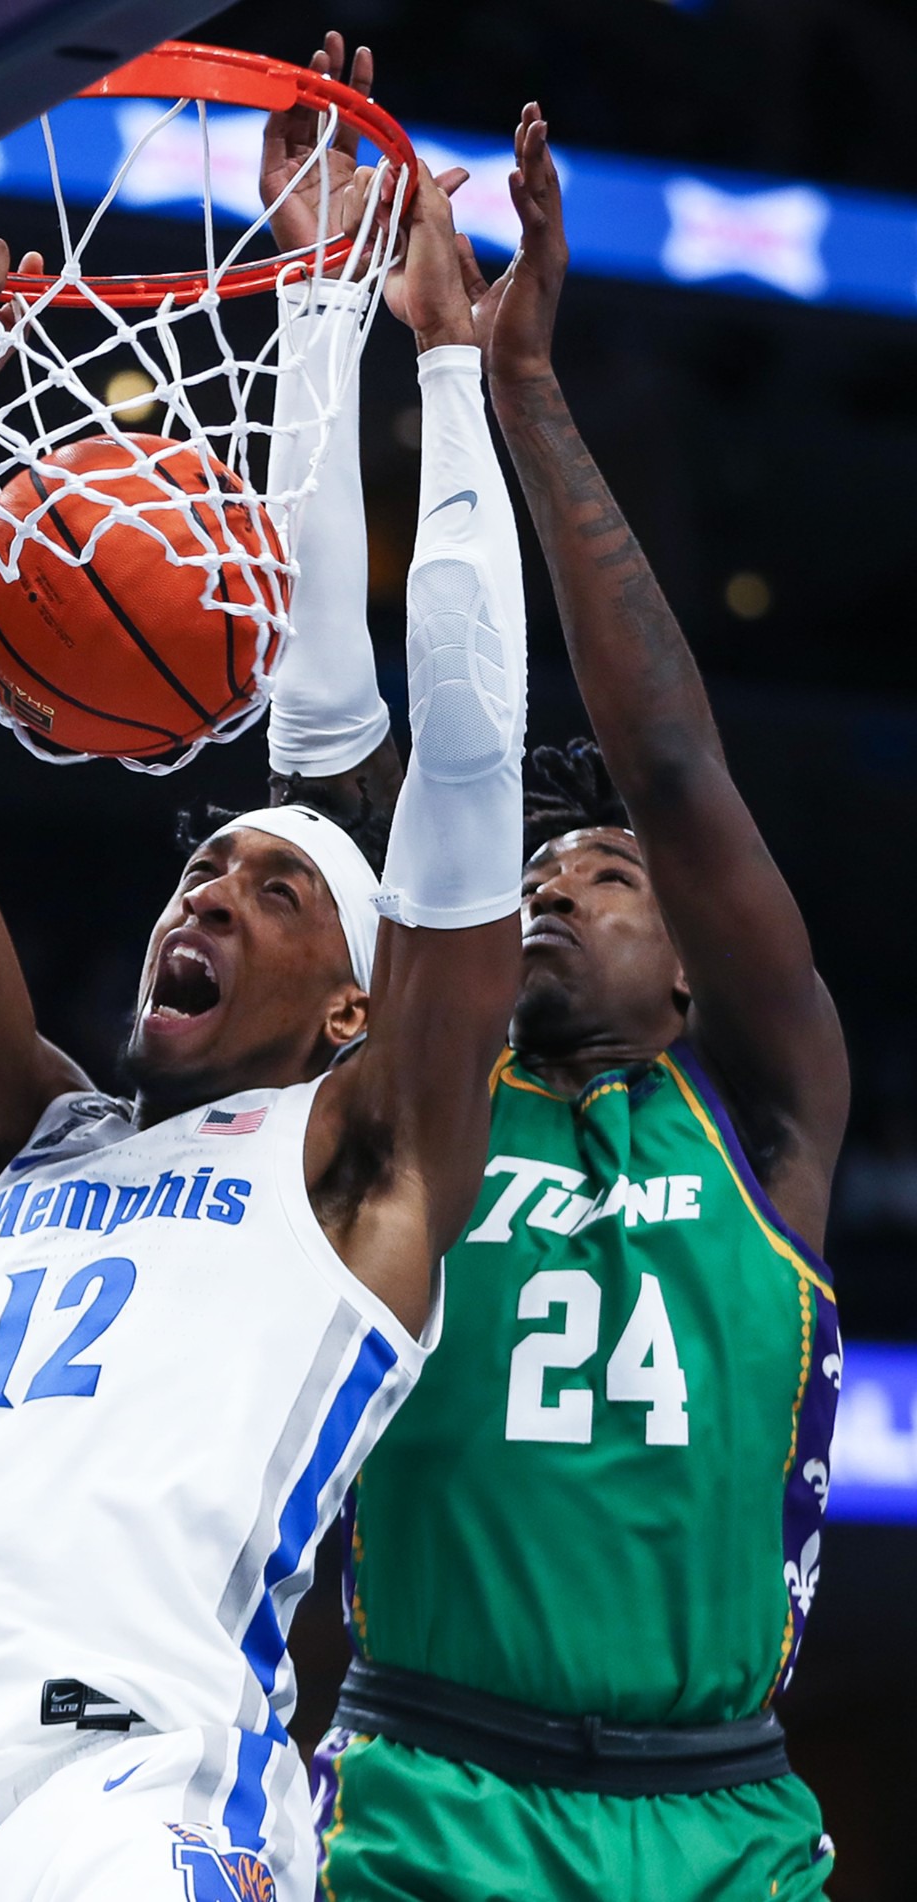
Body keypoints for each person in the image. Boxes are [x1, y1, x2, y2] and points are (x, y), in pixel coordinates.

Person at [0, 159, 531, 1901]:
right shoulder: (33, 1140)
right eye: (200, 870)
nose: (202, 896)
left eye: (272, 893)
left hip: (145, 1809)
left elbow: (465, 760)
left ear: (358, 1000)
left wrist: (436, 377)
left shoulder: (365, 1158)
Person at [273, 89, 848, 1902]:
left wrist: (525, 387)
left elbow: (672, 769)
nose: (553, 882)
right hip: (436, 1789)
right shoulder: (429, 1095)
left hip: (723, 1810)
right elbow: (367, 743)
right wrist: (352, 336)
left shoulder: (765, 1114)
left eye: (602, 881)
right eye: (537, 869)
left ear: (697, 967)